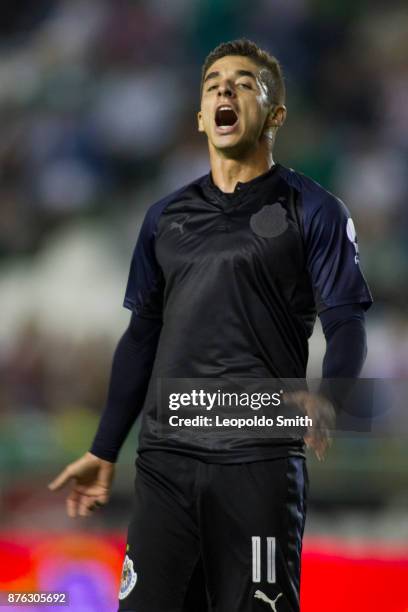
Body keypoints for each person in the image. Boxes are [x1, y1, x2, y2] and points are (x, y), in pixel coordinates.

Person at [49, 39, 372, 611]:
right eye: (214, 83)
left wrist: (331, 398)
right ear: (201, 116)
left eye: (245, 82)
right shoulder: (164, 218)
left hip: (258, 461)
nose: (226, 88)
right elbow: (142, 336)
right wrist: (104, 449)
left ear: (275, 116)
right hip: (167, 457)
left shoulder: (315, 210)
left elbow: (346, 322)